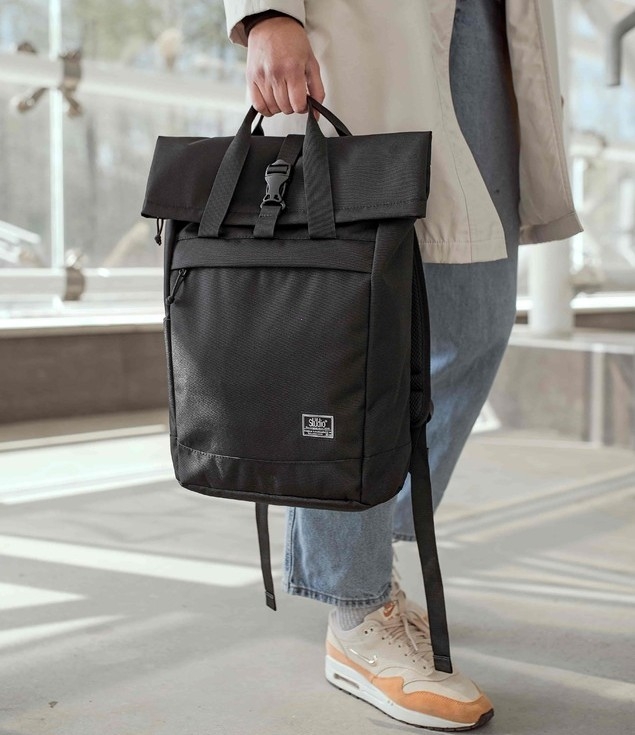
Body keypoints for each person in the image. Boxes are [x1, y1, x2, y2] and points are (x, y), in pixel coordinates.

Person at [222, 0, 583, 730]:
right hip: (366, 21)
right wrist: (266, 14)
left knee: (476, 318)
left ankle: (358, 543)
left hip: (489, 24)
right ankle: (356, 609)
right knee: (355, 335)